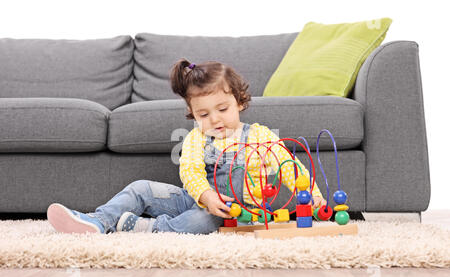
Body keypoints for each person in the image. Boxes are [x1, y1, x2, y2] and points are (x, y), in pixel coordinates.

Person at [47, 59, 326, 235]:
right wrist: (206, 196)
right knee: (140, 187)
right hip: (195, 199)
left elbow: (290, 167)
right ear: (193, 114)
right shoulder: (196, 138)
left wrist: (311, 195)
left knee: (201, 223)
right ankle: (97, 221)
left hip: (234, 212)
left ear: (240, 102)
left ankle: (150, 228)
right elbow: (190, 172)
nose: (215, 119)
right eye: (204, 115)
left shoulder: (260, 135)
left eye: (222, 109)